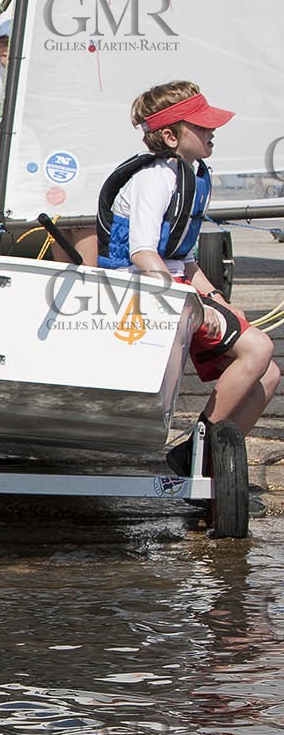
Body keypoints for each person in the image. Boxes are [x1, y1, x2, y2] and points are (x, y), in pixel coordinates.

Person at [96, 81, 280, 490]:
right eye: (203, 126)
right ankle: (197, 450)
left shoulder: (192, 175)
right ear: (169, 135)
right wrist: (194, 304)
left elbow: (186, 258)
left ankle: (203, 457)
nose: (213, 131)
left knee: (268, 375)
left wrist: (217, 301)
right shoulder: (154, 179)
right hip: (138, 289)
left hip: (174, 283)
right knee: (260, 348)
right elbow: (144, 254)